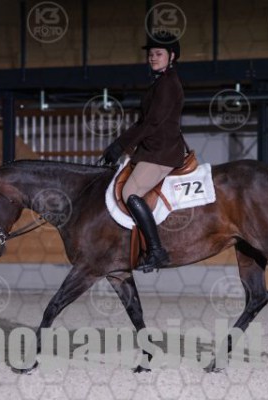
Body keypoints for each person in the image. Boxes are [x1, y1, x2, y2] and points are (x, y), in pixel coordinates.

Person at [102, 32, 185, 272]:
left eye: (158, 54)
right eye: (151, 54)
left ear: (172, 56)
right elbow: (143, 122)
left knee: (130, 192)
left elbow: (152, 124)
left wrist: (121, 146)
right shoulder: (159, 83)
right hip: (151, 149)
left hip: (162, 152)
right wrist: (118, 144)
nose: (153, 58)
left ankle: (157, 251)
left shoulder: (168, 84)